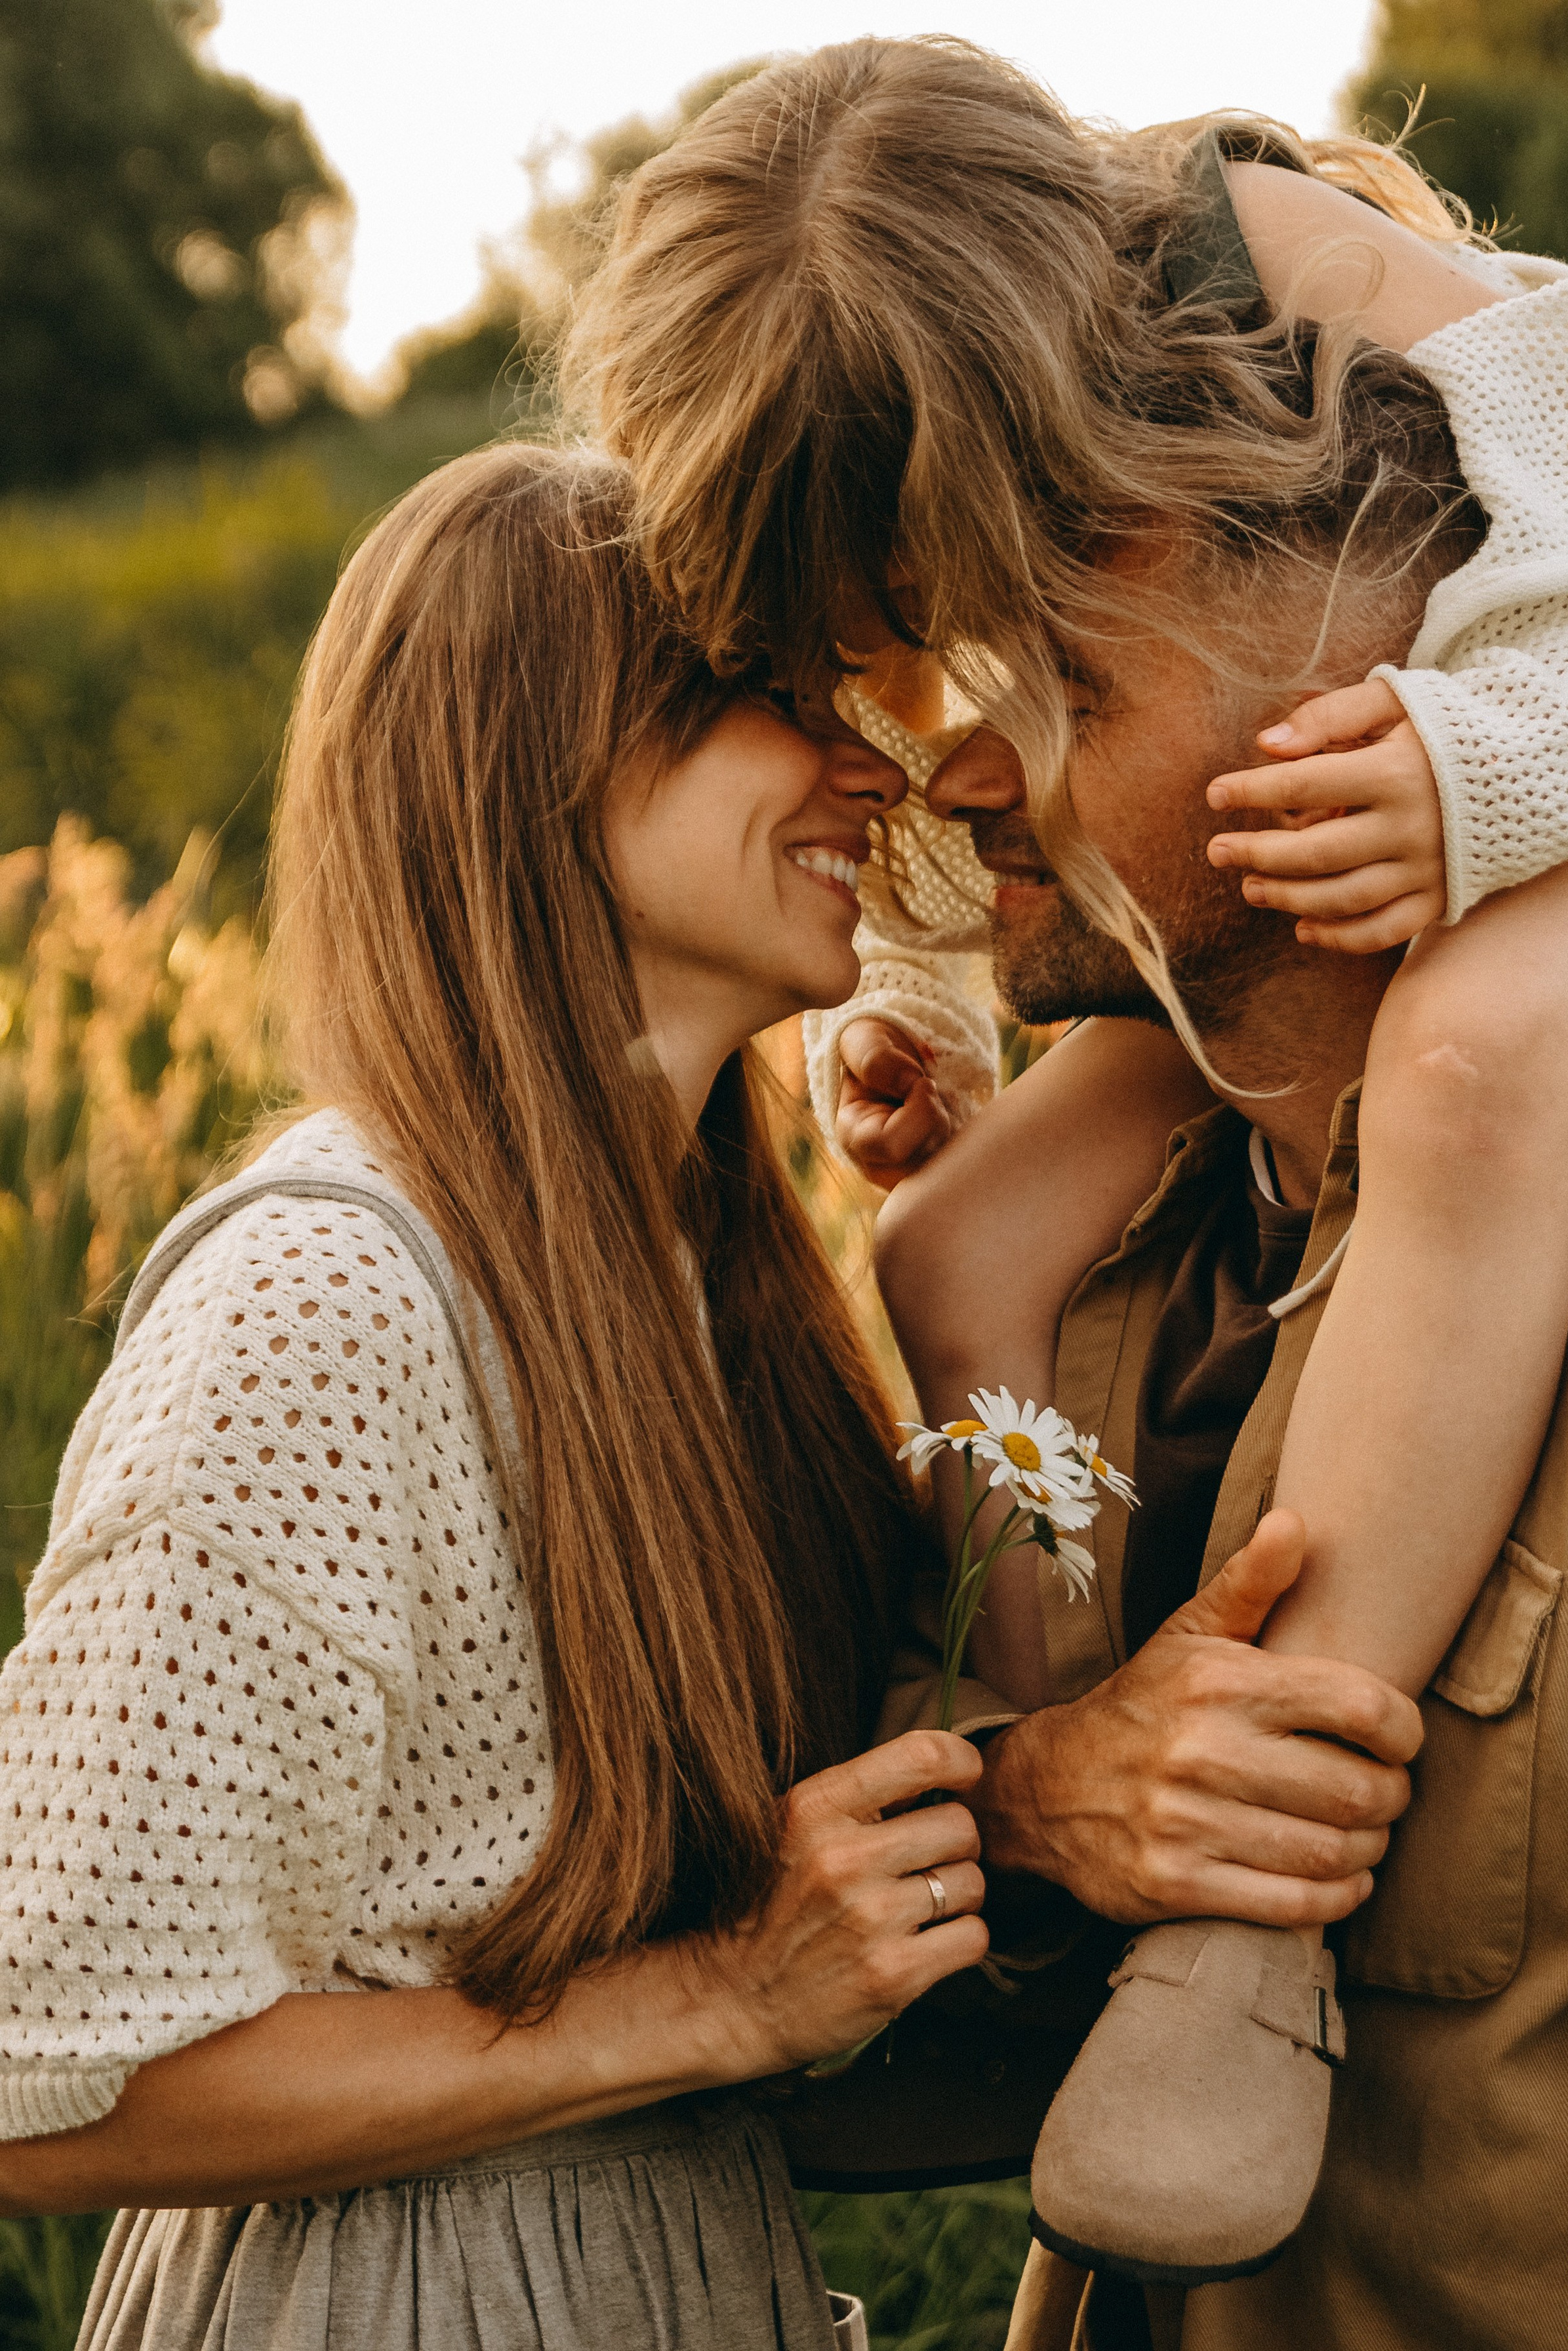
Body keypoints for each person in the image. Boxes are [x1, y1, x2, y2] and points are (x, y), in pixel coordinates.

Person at [564, 33, 1568, 2274]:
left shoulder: (1429, 348)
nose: (952, 774)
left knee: (1479, 1057)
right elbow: (853, 2068)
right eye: (891, 683)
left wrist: (1487, 764)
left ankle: (1245, 1933)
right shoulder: (1127, 1261)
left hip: (1565, 835)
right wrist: (1049, 1798)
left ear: (1333, 603)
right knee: (953, 1239)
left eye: (1042, 666)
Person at [0, 443, 992, 2351]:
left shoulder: (712, 1272)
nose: (869, 768)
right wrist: (718, 1999)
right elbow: (53, 2069)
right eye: (773, 703)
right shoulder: (327, 1299)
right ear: (541, 759)